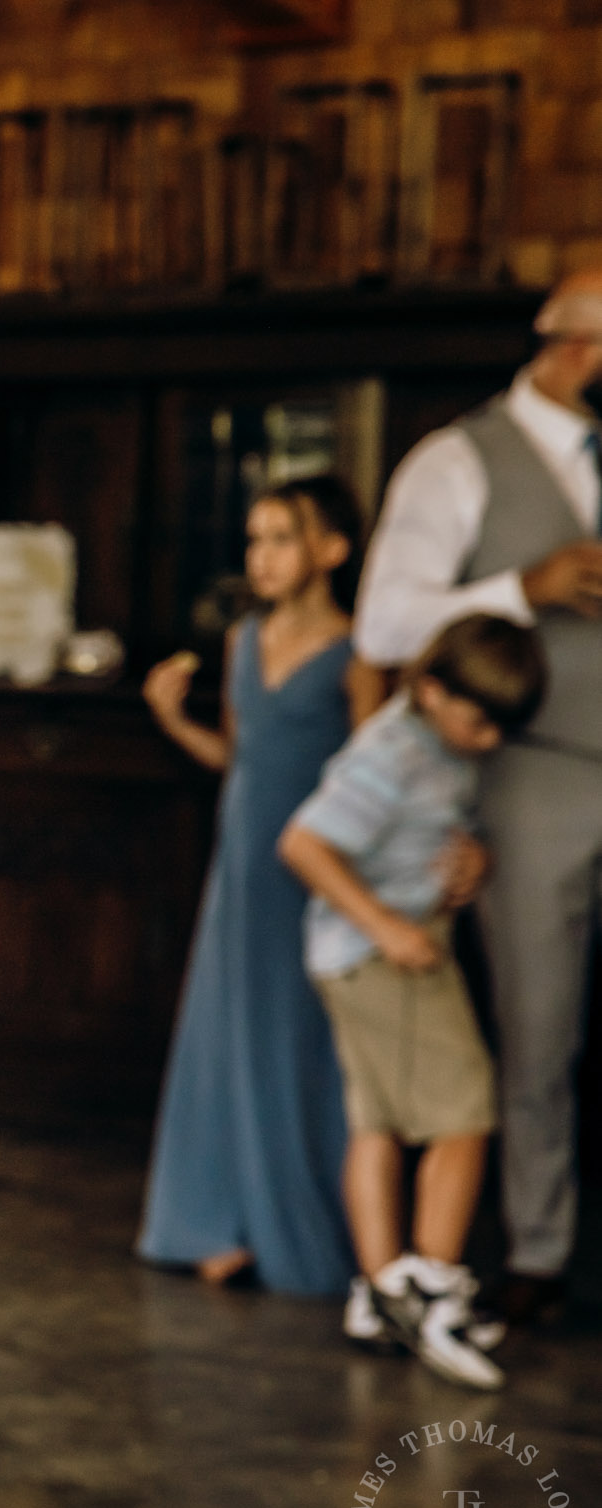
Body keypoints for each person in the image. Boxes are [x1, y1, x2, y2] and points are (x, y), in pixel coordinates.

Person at [354, 270, 602, 1328]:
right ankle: (538, 1253)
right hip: (533, 768)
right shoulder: (457, 458)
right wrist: (523, 589)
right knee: (537, 1023)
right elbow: (382, 626)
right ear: (579, 347)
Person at [279, 614, 547, 1389]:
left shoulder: (438, 743)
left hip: (380, 948)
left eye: (504, 726)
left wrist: (473, 860)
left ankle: (380, 1287)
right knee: (464, 1112)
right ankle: (430, 1288)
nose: (490, 739)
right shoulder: (393, 751)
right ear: (431, 691)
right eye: (478, 720)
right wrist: (387, 927)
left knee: (380, 1121)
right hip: (384, 958)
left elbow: (438, 827)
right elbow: (304, 844)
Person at [134, 476, 378, 1296]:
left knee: (298, 1043)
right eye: (254, 540)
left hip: (314, 878)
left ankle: (302, 1224)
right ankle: (217, 1220)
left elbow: (376, 776)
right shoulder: (243, 640)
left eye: (280, 538)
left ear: (331, 551)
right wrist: (173, 719)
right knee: (225, 1038)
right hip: (239, 869)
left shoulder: (357, 653)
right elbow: (240, 761)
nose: (261, 556)